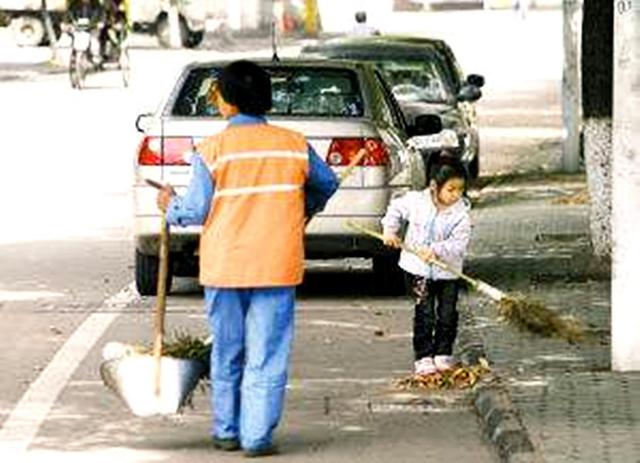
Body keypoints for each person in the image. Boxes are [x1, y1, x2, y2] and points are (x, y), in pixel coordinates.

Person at [156, 60, 338, 457]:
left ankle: (226, 430)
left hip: (225, 266)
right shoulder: (293, 143)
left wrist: (169, 205)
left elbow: (195, 210)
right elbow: (327, 183)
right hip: (276, 262)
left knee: (227, 349)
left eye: (217, 93)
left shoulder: (213, 150)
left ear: (229, 100)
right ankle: (256, 437)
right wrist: (303, 206)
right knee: (268, 352)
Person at [381, 158, 471, 376]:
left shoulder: (461, 214)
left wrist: (437, 250)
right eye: (451, 189)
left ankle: (443, 353)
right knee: (424, 312)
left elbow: (459, 244)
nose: (456, 194)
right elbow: (395, 210)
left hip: (448, 272)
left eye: (460, 190)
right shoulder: (415, 202)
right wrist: (390, 231)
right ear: (434, 186)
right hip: (418, 271)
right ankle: (423, 356)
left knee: (447, 313)